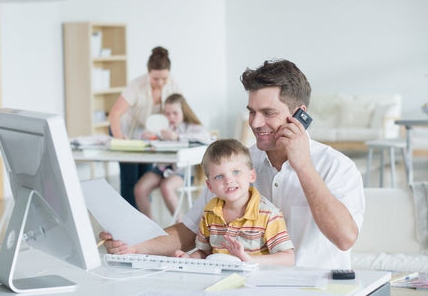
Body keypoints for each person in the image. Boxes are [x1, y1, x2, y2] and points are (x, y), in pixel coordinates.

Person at [100, 59, 365, 269]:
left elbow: (344, 238)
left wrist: (303, 165)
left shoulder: (337, 167)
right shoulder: (237, 166)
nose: (255, 123)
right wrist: (134, 245)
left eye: (268, 113)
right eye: (252, 111)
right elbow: (190, 230)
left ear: (299, 115)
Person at [173, 139, 294, 265]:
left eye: (236, 172)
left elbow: (288, 258)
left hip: (255, 281)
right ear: (210, 186)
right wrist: (190, 259)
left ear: (251, 176)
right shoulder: (209, 213)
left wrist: (249, 260)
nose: (228, 180)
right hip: (220, 280)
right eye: (219, 176)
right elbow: (205, 253)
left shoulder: (268, 214)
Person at [109, 46, 181, 208]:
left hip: (146, 135)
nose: (161, 83)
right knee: (130, 180)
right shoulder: (136, 86)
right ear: (148, 72)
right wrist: (122, 141)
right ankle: (129, 225)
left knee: (144, 181)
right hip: (124, 131)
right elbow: (114, 114)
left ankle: (145, 224)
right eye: (156, 79)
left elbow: (180, 112)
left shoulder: (173, 84)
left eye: (164, 78)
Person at [134, 93, 212, 221]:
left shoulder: (193, 128)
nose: (171, 117)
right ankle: (150, 224)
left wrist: (177, 137)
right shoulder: (163, 128)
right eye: (167, 113)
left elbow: (207, 138)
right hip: (161, 169)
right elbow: (147, 138)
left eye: (175, 113)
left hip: (182, 172)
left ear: (184, 112)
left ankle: (180, 223)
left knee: (166, 187)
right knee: (140, 188)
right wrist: (150, 137)